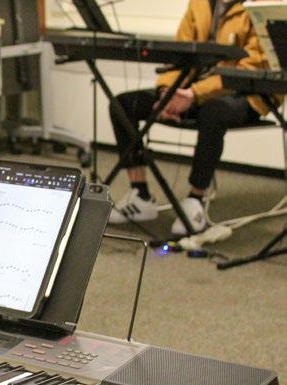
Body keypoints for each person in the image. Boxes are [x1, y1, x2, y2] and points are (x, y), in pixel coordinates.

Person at [109, 0, 279, 235]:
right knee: (123, 104)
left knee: (214, 111)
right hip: (193, 90)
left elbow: (251, 68)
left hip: (249, 92)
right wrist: (167, 93)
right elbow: (179, 56)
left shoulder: (259, 6)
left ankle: (195, 199)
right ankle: (141, 195)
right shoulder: (198, 4)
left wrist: (194, 94)